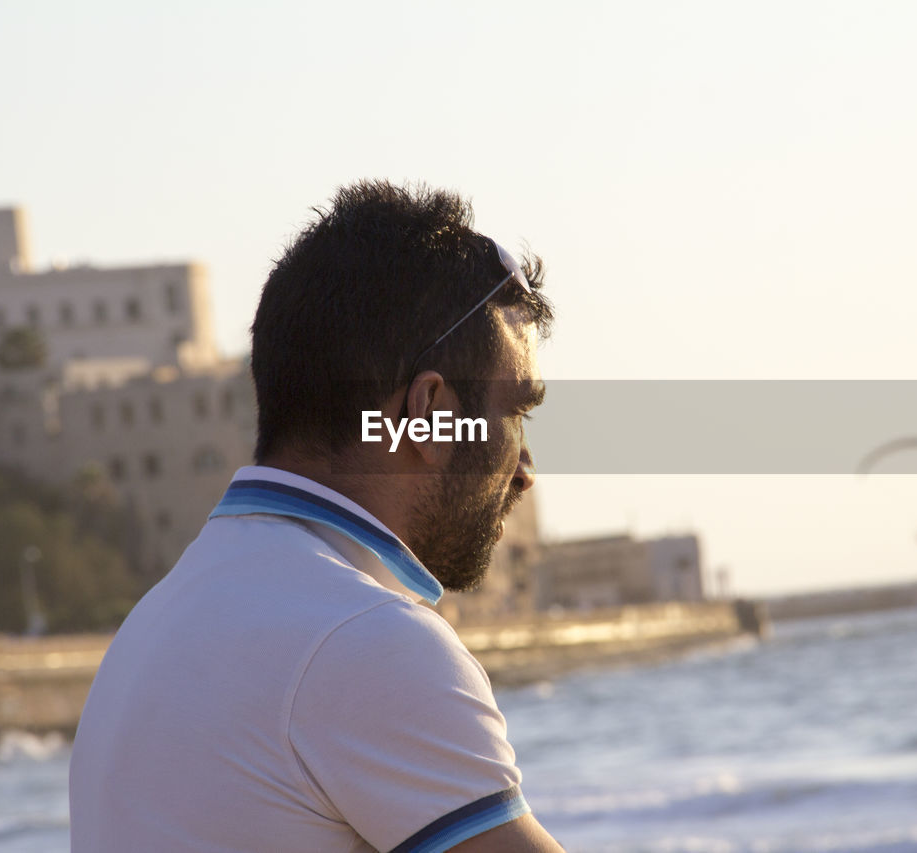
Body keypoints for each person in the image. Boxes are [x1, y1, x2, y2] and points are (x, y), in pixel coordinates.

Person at [69, 180, 563, 852]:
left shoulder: (152, 629)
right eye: (515, 414)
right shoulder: (363, 639)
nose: (525, 467)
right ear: (429, 414)